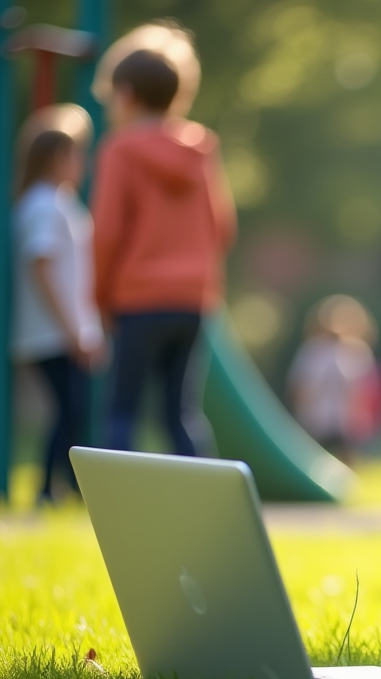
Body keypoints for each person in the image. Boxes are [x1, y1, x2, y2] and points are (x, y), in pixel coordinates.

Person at [90, 25, 235, 456]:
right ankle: (204, 506)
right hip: (193, 300)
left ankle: (116, 511)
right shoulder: (200, 148)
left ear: (127, 93)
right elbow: (222, 228)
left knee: (121, 409)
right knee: (181, 413)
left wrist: (99, 300)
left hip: (137, 298)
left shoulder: (120, 149)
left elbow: (108, 232)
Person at [11, 106, 105, 503]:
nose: (81, 163)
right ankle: (49, 489)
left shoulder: (55, 202)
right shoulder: (44, 204)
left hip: (60, 329)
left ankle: (61, 488)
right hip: (52, 331)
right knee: (70, 411)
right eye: (75, 153)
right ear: (55, 157)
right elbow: (43, 265)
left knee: (73, 411)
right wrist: (74, 329)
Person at [287, 295, 381, 463]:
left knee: (343, 458)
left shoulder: (355, 351)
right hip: (319, 416)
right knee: (314, 459)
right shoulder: (314, 349)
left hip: (344, 419)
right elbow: (302, 387)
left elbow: (362, 390)